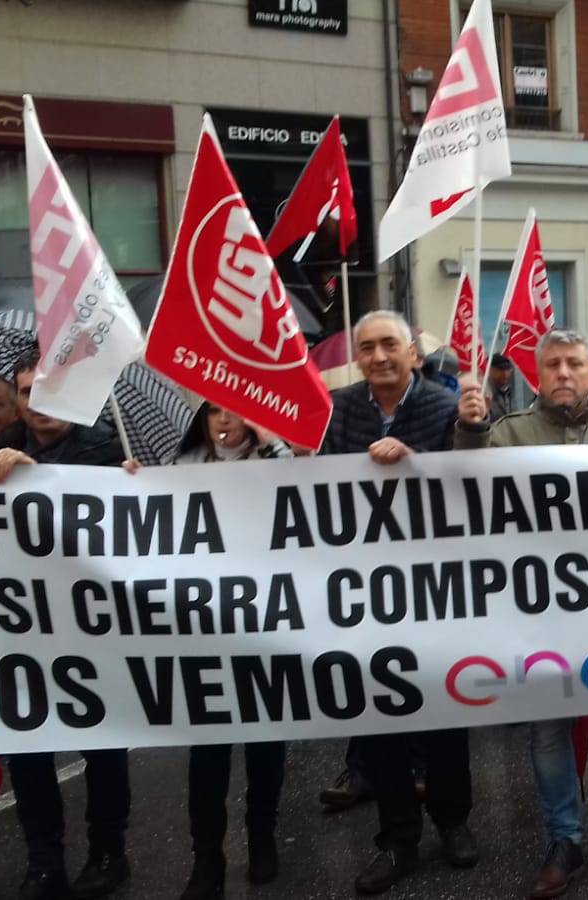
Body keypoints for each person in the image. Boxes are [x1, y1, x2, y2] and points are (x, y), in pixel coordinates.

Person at [456, 329, 588, 900]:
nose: (563, 372)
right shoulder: (506, 434)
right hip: (538, 613)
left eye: (575, 364)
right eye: (552, 365)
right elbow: (463, 494)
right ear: (536, 375)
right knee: (549, 731)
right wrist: (469, 432)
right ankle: (564, 837)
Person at [320, 311, 477, 896]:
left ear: (413, 352)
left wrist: (414, 459)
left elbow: (468, 482)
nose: (379, 356)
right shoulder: (338, 410)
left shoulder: (444, 408)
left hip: (436, 590)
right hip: (364, 592)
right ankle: (397, 839)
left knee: (444, 713)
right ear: (357, 357)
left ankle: (454, 821)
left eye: (390, 344)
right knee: (381, 716)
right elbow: (316, 483)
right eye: (368, 347)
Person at [0, 348, 134, 900]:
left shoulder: (106, 451)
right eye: (28, 393)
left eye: (51, 391)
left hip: (94, 631)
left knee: (103, 746)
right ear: (18, 402)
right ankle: (44, 860)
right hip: (23, 631)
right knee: (27, 750)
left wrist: (44, 479)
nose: (39, 404)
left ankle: (107, 853)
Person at [173, 404, 291, 900]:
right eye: (213, 412)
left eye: (233, 411)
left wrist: (269, 442)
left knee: (265, 742)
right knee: (209, 752)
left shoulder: (273, 455)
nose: (223, 421)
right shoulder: (179, 469)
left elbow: (304, 493)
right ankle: (208, 857)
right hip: (204, 630)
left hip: (266, 625)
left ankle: (262, 834)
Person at [488, 352, 531, 421]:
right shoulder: (485, 394)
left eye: (508, 369)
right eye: (501, 369)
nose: (505, 373)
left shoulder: (509, 393)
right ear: (490, 370)